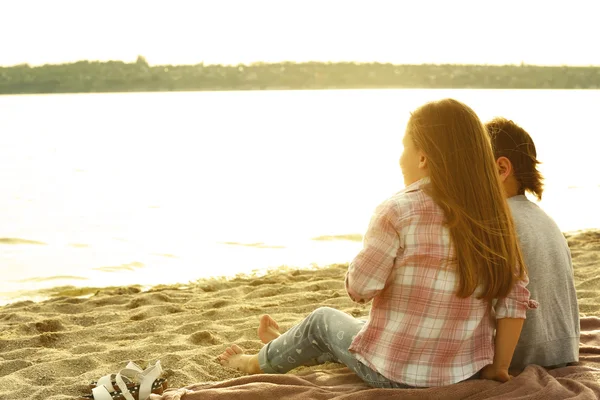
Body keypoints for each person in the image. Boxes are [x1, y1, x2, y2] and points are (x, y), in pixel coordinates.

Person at [218, 99, 537, 388]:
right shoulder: (495, 216)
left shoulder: (397, 210)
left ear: (423, 157)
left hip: (393, 373)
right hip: (461, 371)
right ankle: (288, 342)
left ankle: (254, 361)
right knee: (363, 328)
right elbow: (513, 301)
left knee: (322, 320)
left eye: (405, 148)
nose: (400, 158)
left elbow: (359, 289)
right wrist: (498, 368)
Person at [486, 117, 579, 370]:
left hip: (520, 357)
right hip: (562, 350)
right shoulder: (543, 218)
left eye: (471, 169)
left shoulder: (495, 221)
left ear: (501, 169)